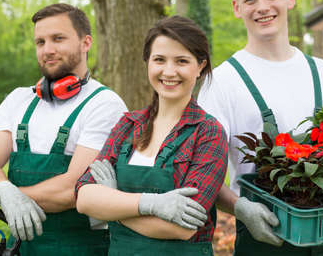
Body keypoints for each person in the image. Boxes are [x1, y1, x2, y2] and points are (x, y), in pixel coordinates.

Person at [197, 0, 323, 256]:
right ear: (236, 7)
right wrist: (241, 209)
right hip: (266, 240)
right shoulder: (220, 82)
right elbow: (202, 174)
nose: (262, 6)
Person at [0, 3, 127, 255]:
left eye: (58, 39)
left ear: (86, 42)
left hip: (79, 248)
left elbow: (74, 189)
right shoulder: (20, 99)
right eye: (40, 42)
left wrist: (0, 196)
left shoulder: (104, 104)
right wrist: (4, 190)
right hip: (21, 247)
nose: (48, 50)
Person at [76, 15, 228, 256]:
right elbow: (84, 198)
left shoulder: (208, 133)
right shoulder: (128, 125)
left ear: (200, 66)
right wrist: (151, 204)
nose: (169, 71)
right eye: (159, 60)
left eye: (181, 61)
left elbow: (183, 227)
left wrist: (114, 205)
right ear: (147, 62)